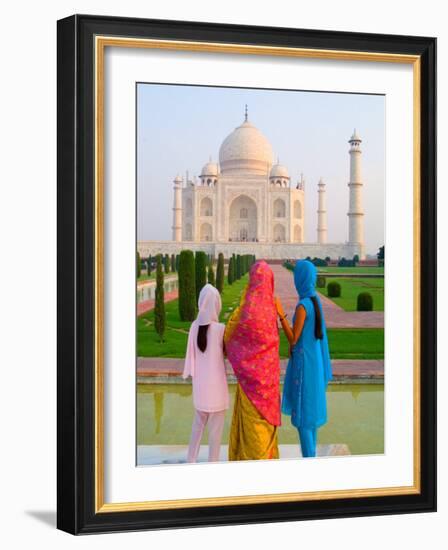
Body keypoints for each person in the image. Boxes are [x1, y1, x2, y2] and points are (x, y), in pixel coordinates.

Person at [225, 260, 281, 460]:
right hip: (268, 383)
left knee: (250, 426)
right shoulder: (271, 309)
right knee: (264, 425)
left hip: (250, 382)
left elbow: (230, 335)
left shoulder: (245, 309)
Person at [276, 260, 332, 457]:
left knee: (304, 423)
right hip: (314, 363)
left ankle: (310, 465)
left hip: (305, 366)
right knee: (311, 420)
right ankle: (312, 459)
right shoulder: (314, 301)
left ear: (300, 279)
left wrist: (281, 315)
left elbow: (293, 338)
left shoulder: (303, 306)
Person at [182, 284, 229, 463]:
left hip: (201, 387)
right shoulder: (220, 329)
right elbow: (227, 353)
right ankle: (212, 464)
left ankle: (191, 460)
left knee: (197, 425)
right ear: (216, 304)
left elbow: (191, 355)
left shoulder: (194, 327)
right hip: (217, 389)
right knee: (215, 433)